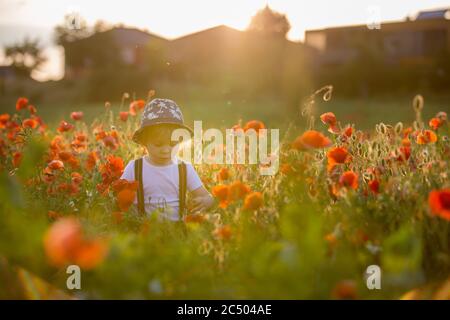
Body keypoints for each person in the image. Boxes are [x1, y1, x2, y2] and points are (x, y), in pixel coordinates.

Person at [120, 98, 214, 221]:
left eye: (172, 144)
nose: (165, 150)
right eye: (158, 144)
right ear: (144, 142)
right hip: (144, 228)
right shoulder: (135, 167)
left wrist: (206, 201)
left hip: (177, 230)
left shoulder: (184, 168)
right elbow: (120, 196)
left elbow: (205, 195)